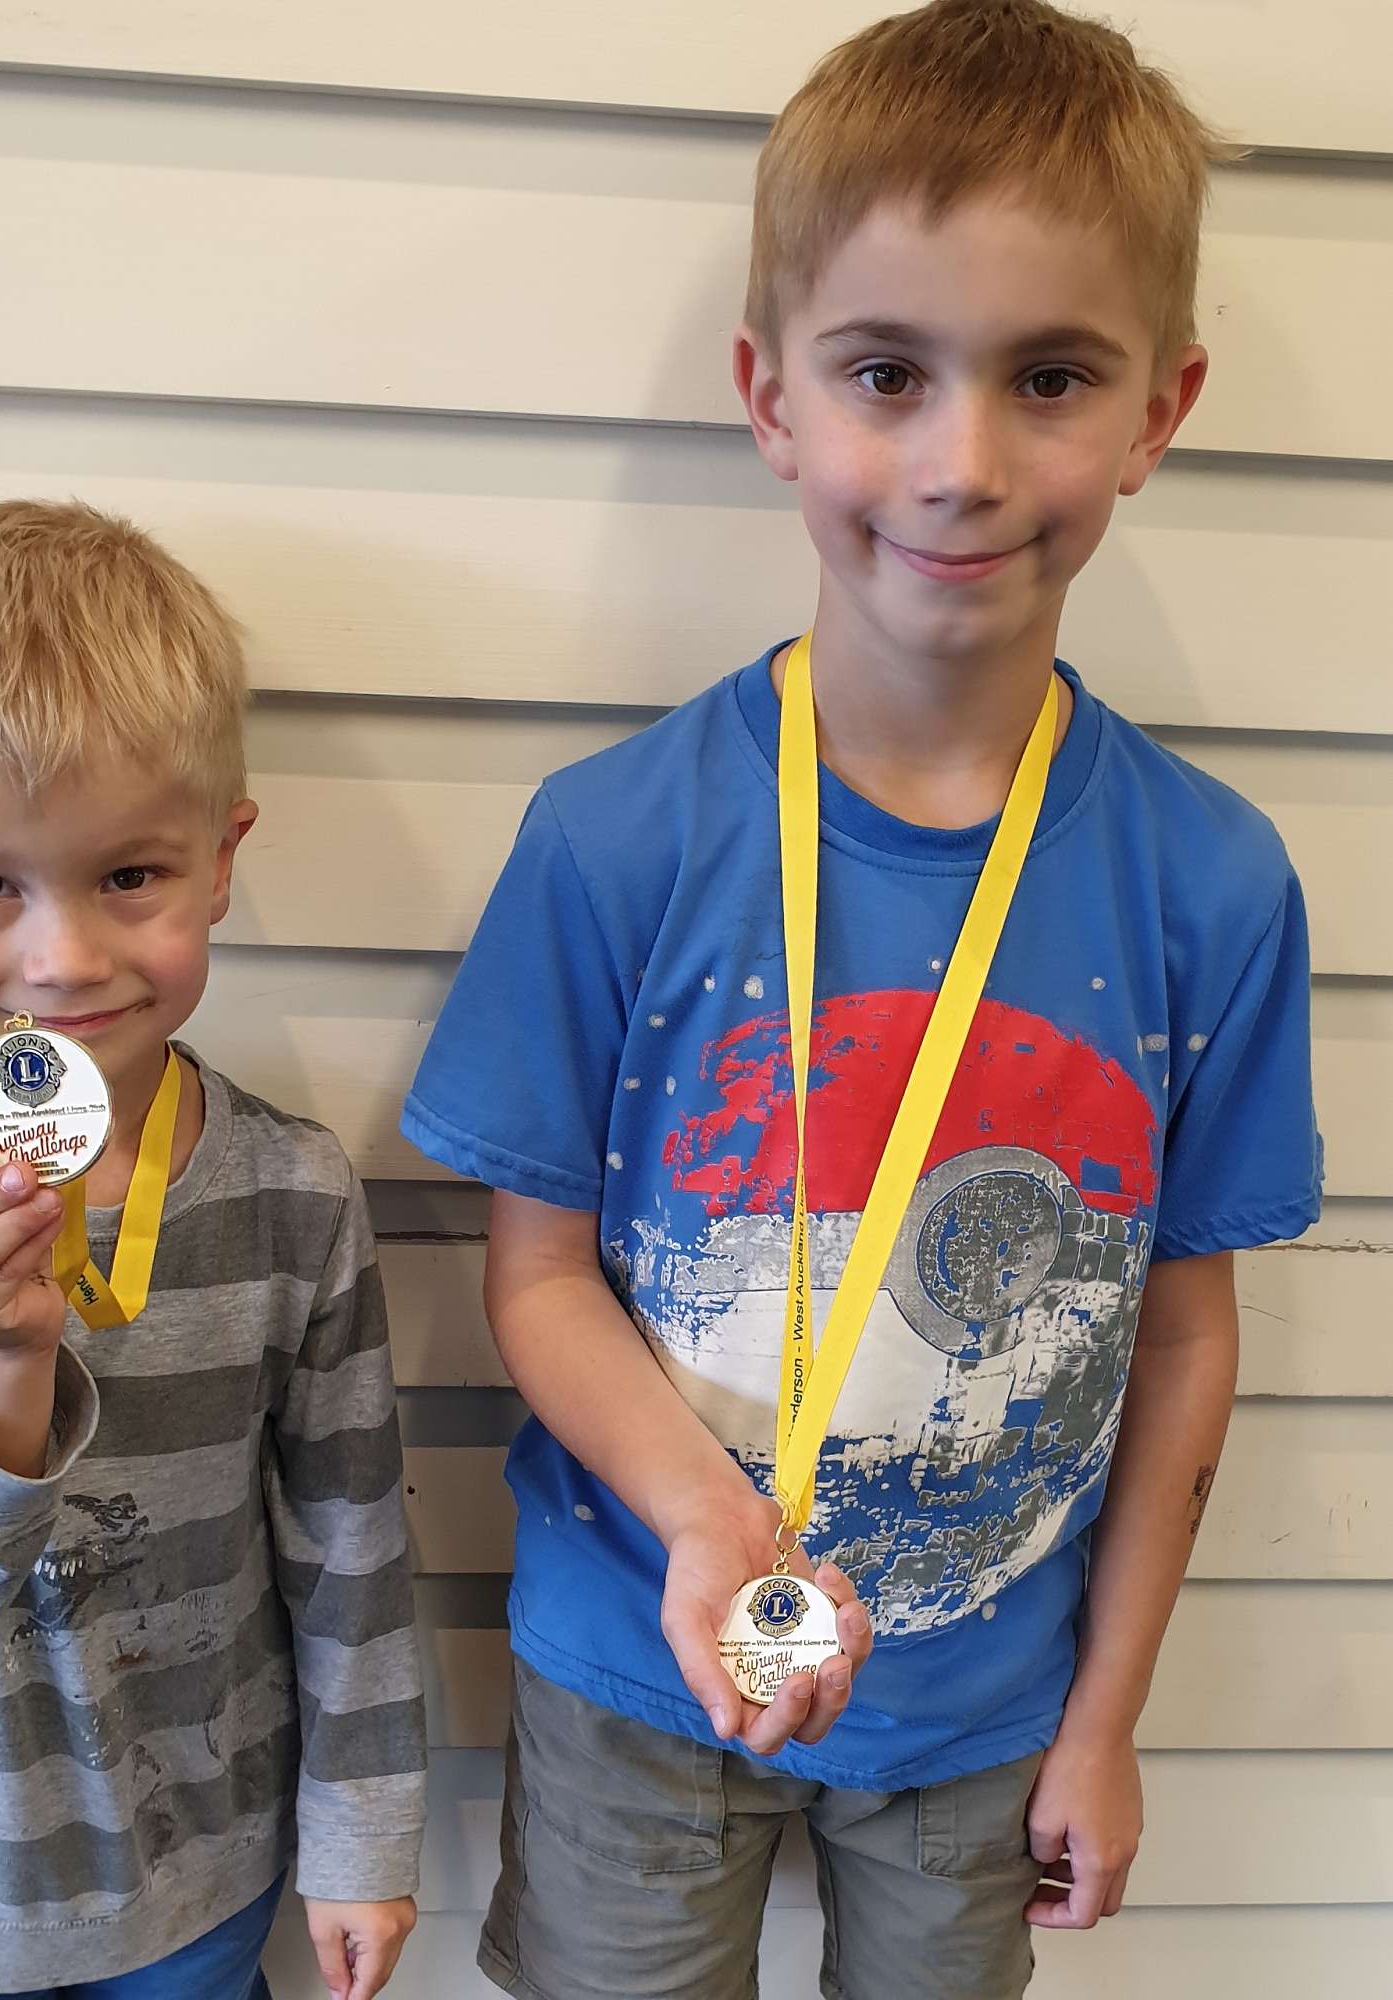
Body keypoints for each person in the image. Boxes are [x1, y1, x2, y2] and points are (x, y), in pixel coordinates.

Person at [399, 4, 1321, 1995]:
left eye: (1047, 378)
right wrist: (698, 1522)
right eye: (885, 373)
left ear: (1155, 411)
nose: (959, 465)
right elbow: (535, 1273)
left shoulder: (1211, 882)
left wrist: (1105, 1717)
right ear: (770, 395)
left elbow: (1182, 1327)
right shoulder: (613, 839)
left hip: (989, 1710)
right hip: (635, 1662)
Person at [0, 500, 424, 2000]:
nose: (62, 960)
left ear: (220, 857)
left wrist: (364, 1835)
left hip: (194, 1884)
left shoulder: (294, 1191)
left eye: (129, 875)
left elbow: (350, 1548)